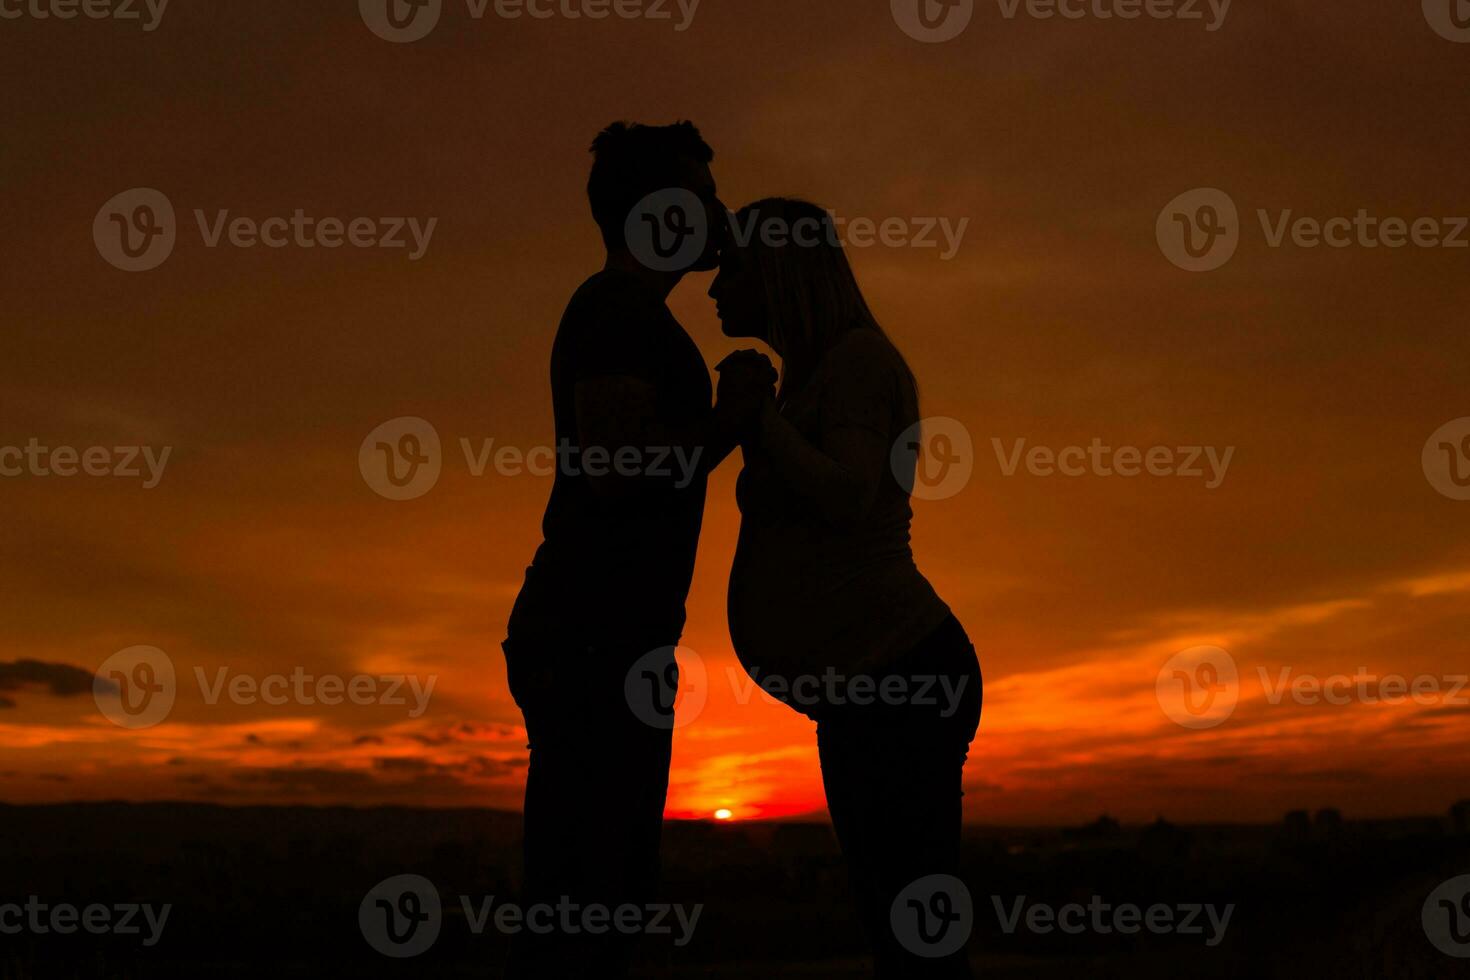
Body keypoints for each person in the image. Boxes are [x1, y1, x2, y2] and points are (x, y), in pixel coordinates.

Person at [502, 121, 773, 978]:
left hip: (611, 637)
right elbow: (619, 467)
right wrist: (729, 420)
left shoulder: (633, 314)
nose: (715, 213)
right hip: (591, 636)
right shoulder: (614, 310)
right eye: (699, 197)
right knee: (592, 897)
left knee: (600, 891)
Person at [709, 197, 983, 978]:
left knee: (911, 928)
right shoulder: (814, 377)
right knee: (893, 921)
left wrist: (759, 424)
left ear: (781, 270)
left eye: (733, 267)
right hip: (865, 689)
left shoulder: (857, 362)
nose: (715, 286)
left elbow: (851, 495)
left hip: (897, 676)